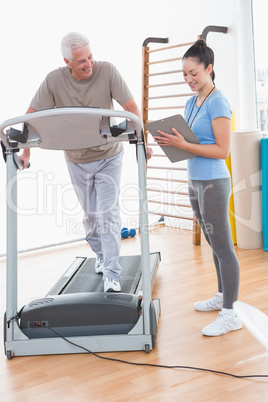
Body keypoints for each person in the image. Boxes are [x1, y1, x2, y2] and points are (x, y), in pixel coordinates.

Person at [20, 32, 150, 293]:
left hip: (109, 156)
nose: (88, 63)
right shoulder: (54, 80)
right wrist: (26, 153)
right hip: (76, 160)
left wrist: (143, 141)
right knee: (91, 218)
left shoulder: (107, 71)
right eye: (81, 61)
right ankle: (100, 255)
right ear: (67, 61)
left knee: (109, 214)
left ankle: (112, 273)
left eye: (90, 57)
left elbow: (132, 107)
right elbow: (30, 118)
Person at [154, 40, 242, 336]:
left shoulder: (218, 101)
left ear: (209, 69)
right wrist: (172, 141)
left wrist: (184, 144)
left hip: (214, 181)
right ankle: (221, 295)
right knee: (212, 243)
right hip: (195, 178)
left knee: (223, 248)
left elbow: (222, 151)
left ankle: (231, 313)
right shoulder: (192, 103)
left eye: (194, 73)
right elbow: (192, 144)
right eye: (185, 75)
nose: (189, 80)